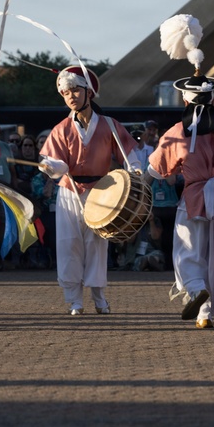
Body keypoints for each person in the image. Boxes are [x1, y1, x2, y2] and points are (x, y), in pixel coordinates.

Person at [148, 14, 214, 329]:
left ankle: (195, 290)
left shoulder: (180, 130)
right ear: (213, 97)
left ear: (185, 98)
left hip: (196, 196)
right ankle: (207, 311)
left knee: (187, 249)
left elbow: (155, 169)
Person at [38, 65, 140, 316]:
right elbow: (57, 163)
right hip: (69, 191)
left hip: (101, 192)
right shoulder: (61, 128)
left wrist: (136, 169)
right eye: (65, 92)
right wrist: (50, 165)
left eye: (75, 90)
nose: (70, 96)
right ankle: (74, 300)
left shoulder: (110, 125)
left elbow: (129, 153)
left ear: (88, 92)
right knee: (68, 243)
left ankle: (99, 298)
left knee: (96, 244)